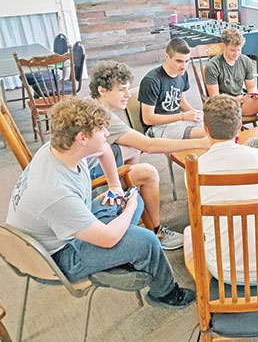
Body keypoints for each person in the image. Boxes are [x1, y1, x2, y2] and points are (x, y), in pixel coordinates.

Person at [6, 97, 196, 309]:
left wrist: (115, 186)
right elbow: (108, 237)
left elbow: (104, 149)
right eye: (101, 130)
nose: (107, 134)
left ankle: (117, 258)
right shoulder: (55, 193)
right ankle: (166, 294)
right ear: (82, 138)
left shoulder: (60, 149)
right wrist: (130, 205)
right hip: (55, 258)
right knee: (147, 239)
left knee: (126, 201)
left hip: (59, 229)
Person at [89, 60, 211, 250]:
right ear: (102, 90)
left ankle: (129, 193)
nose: (128, 95)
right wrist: (200, 143)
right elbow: (149, 144)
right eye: (121, 89)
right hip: (86, 182)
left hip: (85, 165)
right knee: (149, 172)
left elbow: (138, 145)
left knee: (132, 148)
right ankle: (157, 230)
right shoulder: (104, 117)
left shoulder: (90, 106)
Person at [194, 94, 258, 283]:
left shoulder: (197, 166)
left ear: (206, 129)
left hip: (222, 272)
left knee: (194, 230)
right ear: (239, 127)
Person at [139, 38, 206, 139]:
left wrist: (197, 114)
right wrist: (182, 117)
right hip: (157, 127)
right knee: (204, 134)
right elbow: (148, 119)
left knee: (211, 127)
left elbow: (182, 102)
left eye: (187, 61)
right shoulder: (151, 81)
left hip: (177, 121)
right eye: (179, 61)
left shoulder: (182, 74)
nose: (184, 66)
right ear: (167, 56)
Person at [204, 28, 258, 124]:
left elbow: (251, 86)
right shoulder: (212, 66)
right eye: (233, 50)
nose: (236, 54)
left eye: (239, 49)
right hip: (222, 106)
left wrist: (254, 94)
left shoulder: (245, 61)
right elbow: (215, 98)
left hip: (240, 101)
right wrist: (236, 99)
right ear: (223, 47)